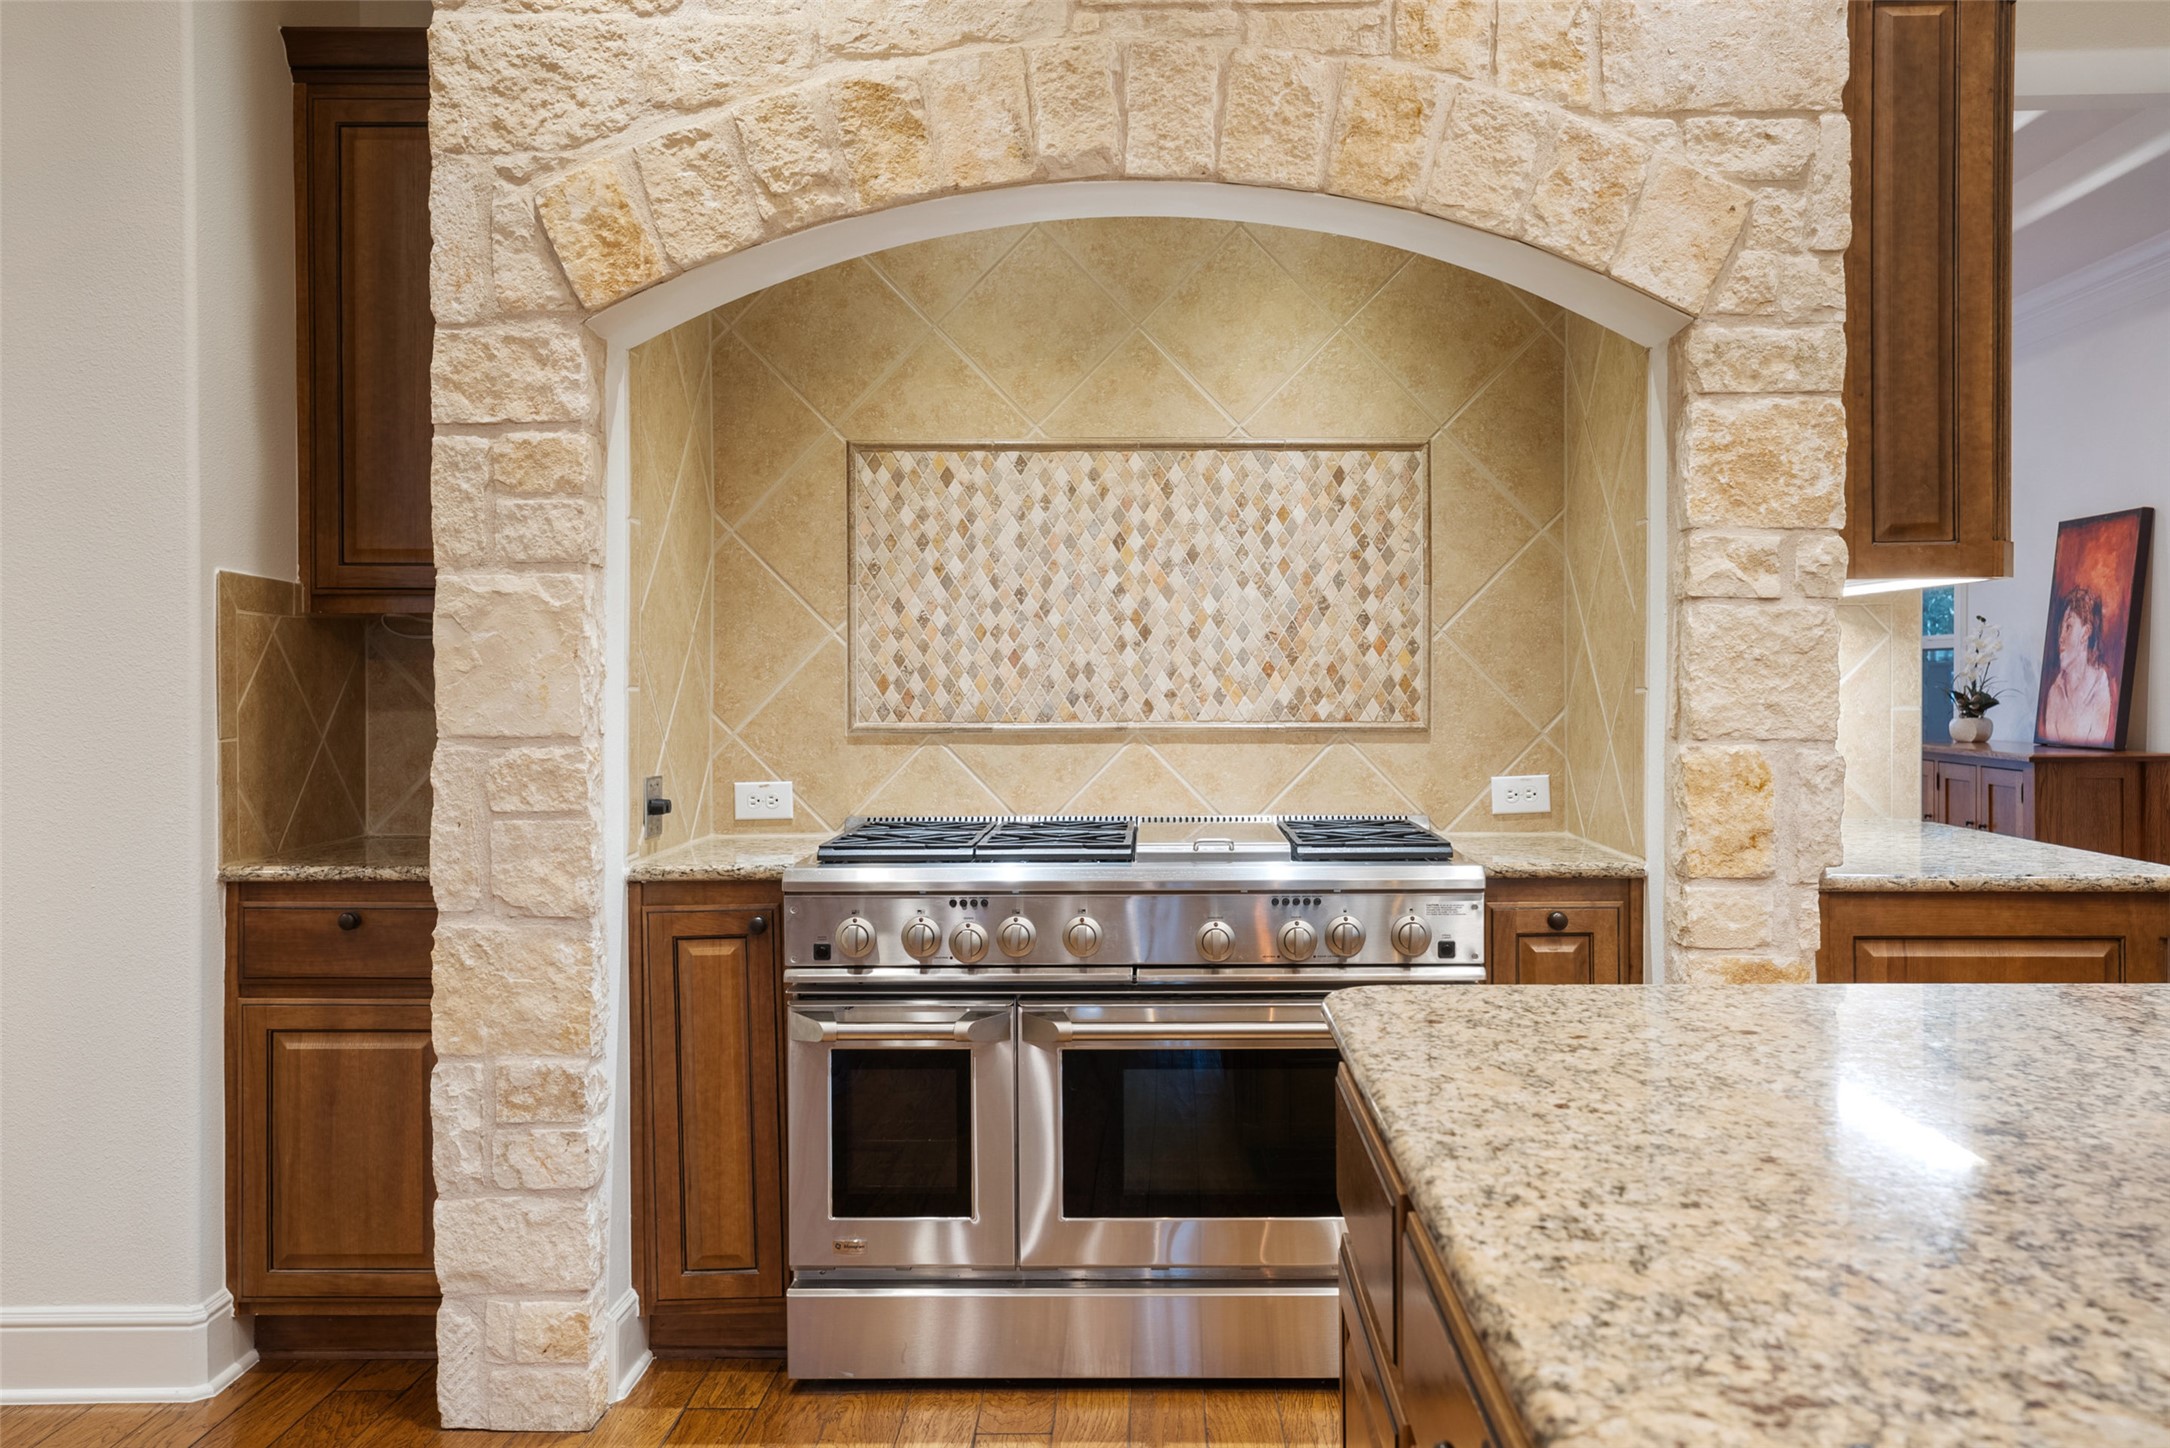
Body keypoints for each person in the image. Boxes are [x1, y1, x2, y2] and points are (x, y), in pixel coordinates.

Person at [2040, 585, 2117, 745]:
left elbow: (2093, 753)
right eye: (2061, 629)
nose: (2061, 637)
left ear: (2085, 633)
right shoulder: (2054, 692)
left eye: (2068, 627)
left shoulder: (2099, 686)